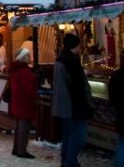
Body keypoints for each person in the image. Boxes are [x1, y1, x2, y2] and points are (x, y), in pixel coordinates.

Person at [52, 34, 93, 167]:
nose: (80, 47)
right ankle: (70, 162)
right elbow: (76, 87)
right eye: (78, 45)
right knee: (77, 136)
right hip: (74, 106)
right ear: (74, 46)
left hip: (65, 106)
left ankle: (66, 161)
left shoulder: (62, 60)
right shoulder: (70, 63)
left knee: (68, 135)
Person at [8, 48, 37, 159]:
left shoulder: (15, 70)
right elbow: (29, 90)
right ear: (23, 58)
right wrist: (36, 98)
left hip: (17, 100)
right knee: (24, 127)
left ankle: (16, 148)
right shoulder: (25, 72)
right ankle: (21, 150)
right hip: (25, 103)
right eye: (28, 56)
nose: (30, 58)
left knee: (18, 126)